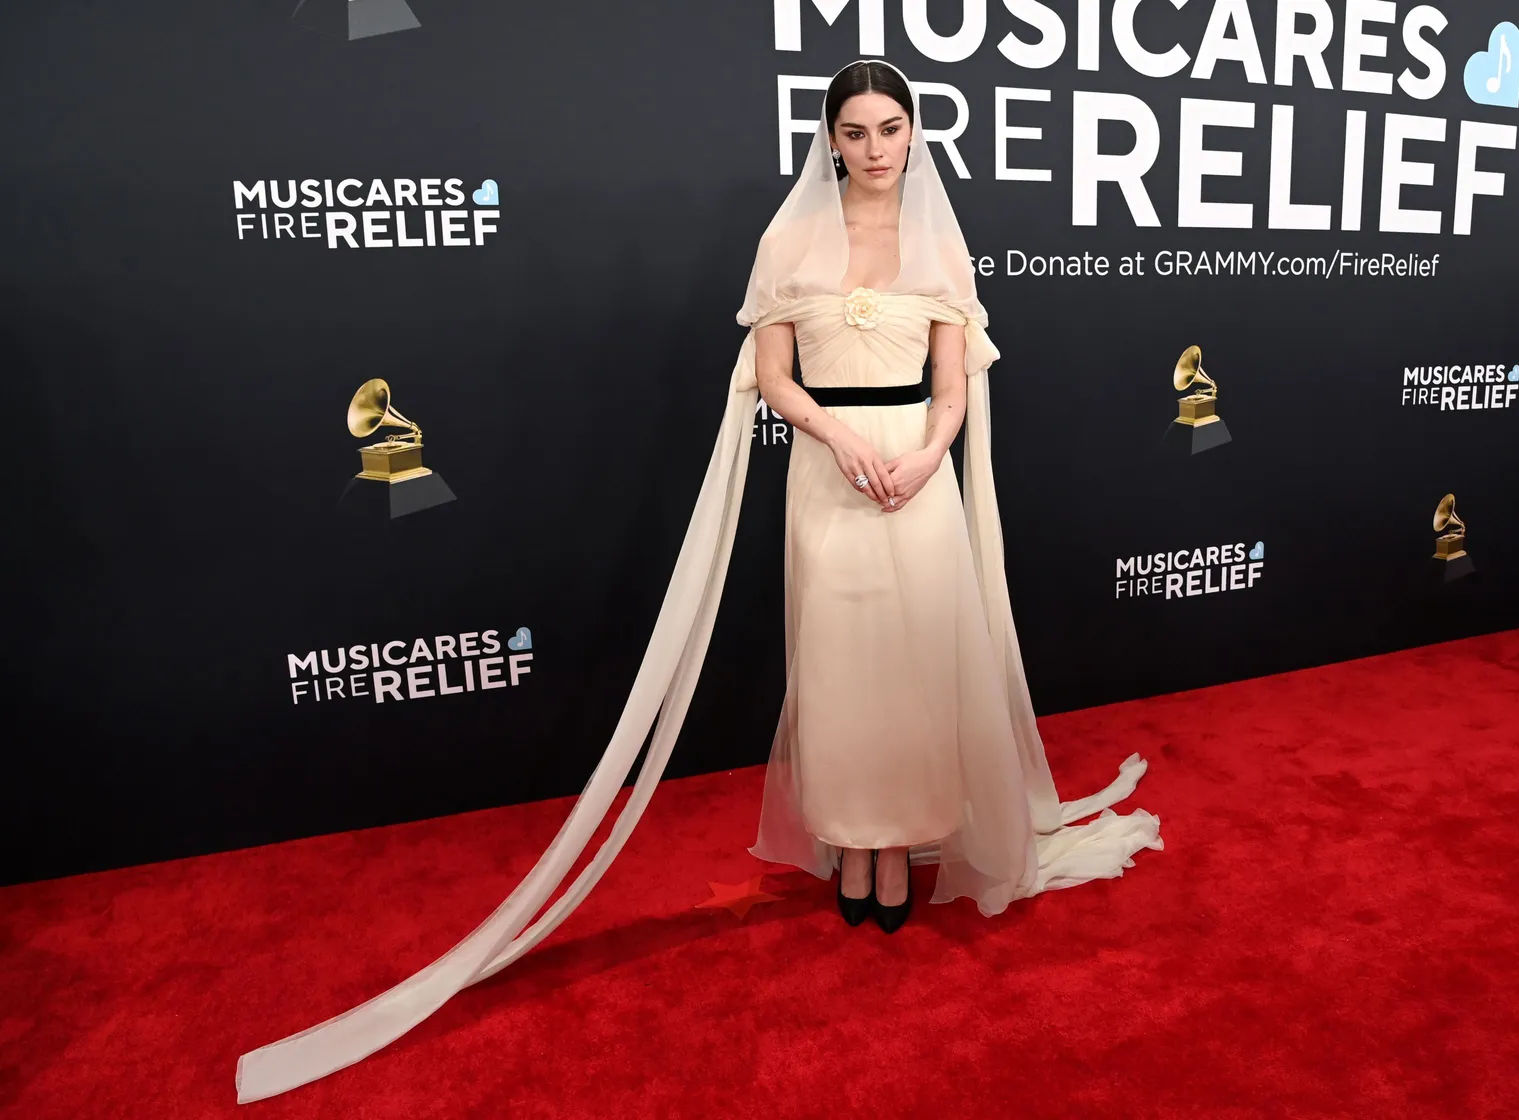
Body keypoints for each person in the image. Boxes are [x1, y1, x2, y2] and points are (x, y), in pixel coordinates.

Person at [233, 58, 1161, 1105]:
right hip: (828, 474)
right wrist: (831, 433)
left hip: (916, 478)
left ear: (911, 135)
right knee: (841, 663)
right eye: (853, 130)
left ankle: (898, 846)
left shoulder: (942, 242)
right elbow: (770, 374)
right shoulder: (786, 241)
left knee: (916, 664)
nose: (873, 148)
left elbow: (955, 387)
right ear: (828, 139)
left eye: (889, 127)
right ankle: (850, 840)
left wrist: (920, 453)